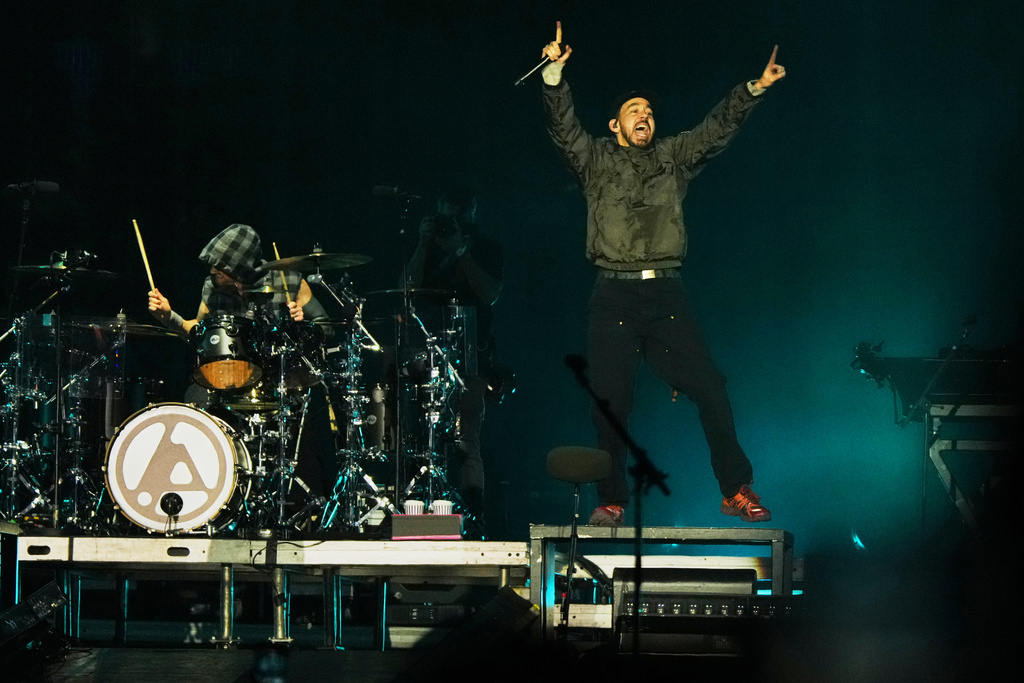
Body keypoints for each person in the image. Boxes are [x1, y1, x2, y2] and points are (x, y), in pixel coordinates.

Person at [540, 23, 786, 527]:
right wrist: (554, 77)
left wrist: (753, 89)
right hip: (613, 296)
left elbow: (714, 131)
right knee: (610, 403)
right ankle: (611, 500)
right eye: (635, 111)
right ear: (615, 125)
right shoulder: (596, 160)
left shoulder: (673, 157)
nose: (645, 116)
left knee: (710, 388)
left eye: (649, 111)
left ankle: (735, 489)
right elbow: (564, 130)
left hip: (666, 294)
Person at [406, 186, 503, 531]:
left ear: (471, 211)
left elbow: (489, 293)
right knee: (420, 439)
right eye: (445, 213)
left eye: (457, 212)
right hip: (427, 356)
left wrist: (460, 249)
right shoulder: (429, 248)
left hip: (470, 359)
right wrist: (423, 243)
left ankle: (473, 518)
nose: (450, 220)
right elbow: (408, 291)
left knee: (466, 440)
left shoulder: (486, 248)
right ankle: (417, 515)